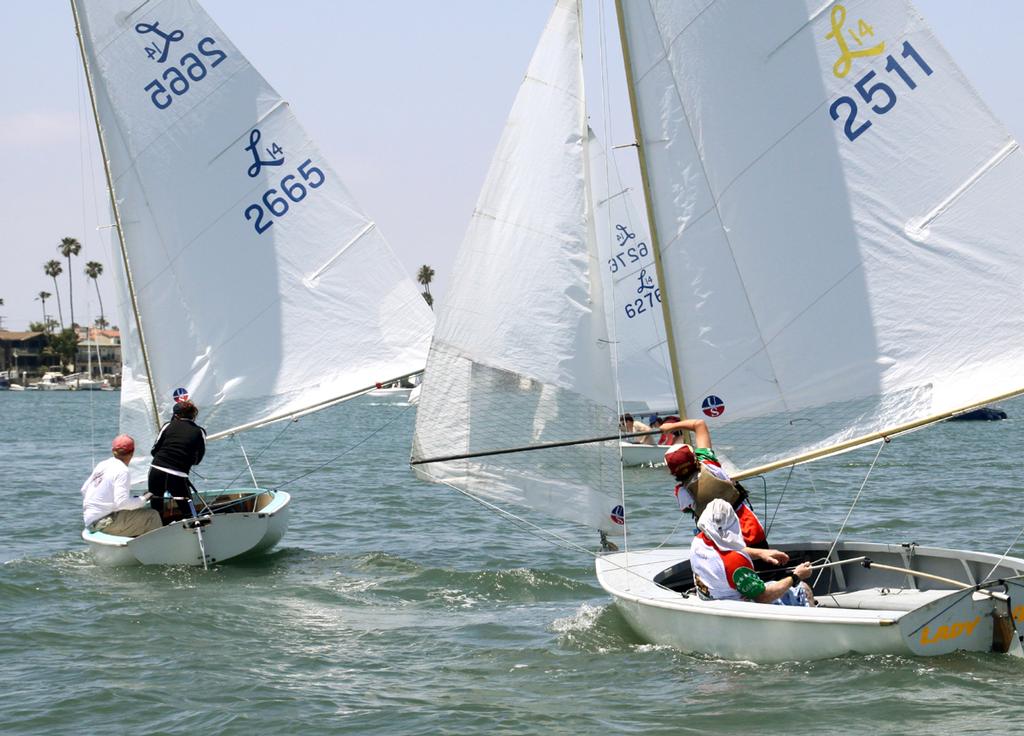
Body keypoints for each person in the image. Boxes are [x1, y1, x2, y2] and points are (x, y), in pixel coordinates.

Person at [662, 417, 788, 566]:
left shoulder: (681, 492)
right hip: (749, 528)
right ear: (694, 458)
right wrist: (671, 426)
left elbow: (689, 510)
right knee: (766, 569)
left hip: (721, 540)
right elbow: (699, 424)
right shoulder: (709, 464)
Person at [689, 499, 814, 606]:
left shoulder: (698, 541)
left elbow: (724, 550)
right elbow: (762, 597)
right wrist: (796, 576)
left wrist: (761, 553)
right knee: (803, 589)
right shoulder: (736, 563)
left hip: (711, 597)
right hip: (740, 608)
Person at [81, 435, 162, 536]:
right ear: (132, 452)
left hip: (90, 521)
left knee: (135, 512)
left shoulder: (102, 464)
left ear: (112, 450)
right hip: (104, 522)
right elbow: (122, 503)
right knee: (152, 515)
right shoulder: (122, 470)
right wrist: (144, 498)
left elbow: (84, 489)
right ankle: (155, 549)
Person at [149, 400, 207, 523]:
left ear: (176, 415)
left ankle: (157, 529)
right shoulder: (199, 431)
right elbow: (198, 459)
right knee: (188, 511)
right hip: (178, 475)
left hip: (157, 471)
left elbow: (154, 451)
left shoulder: (167, 426)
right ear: (193, 415)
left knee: (156, 507)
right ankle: (193, 528)